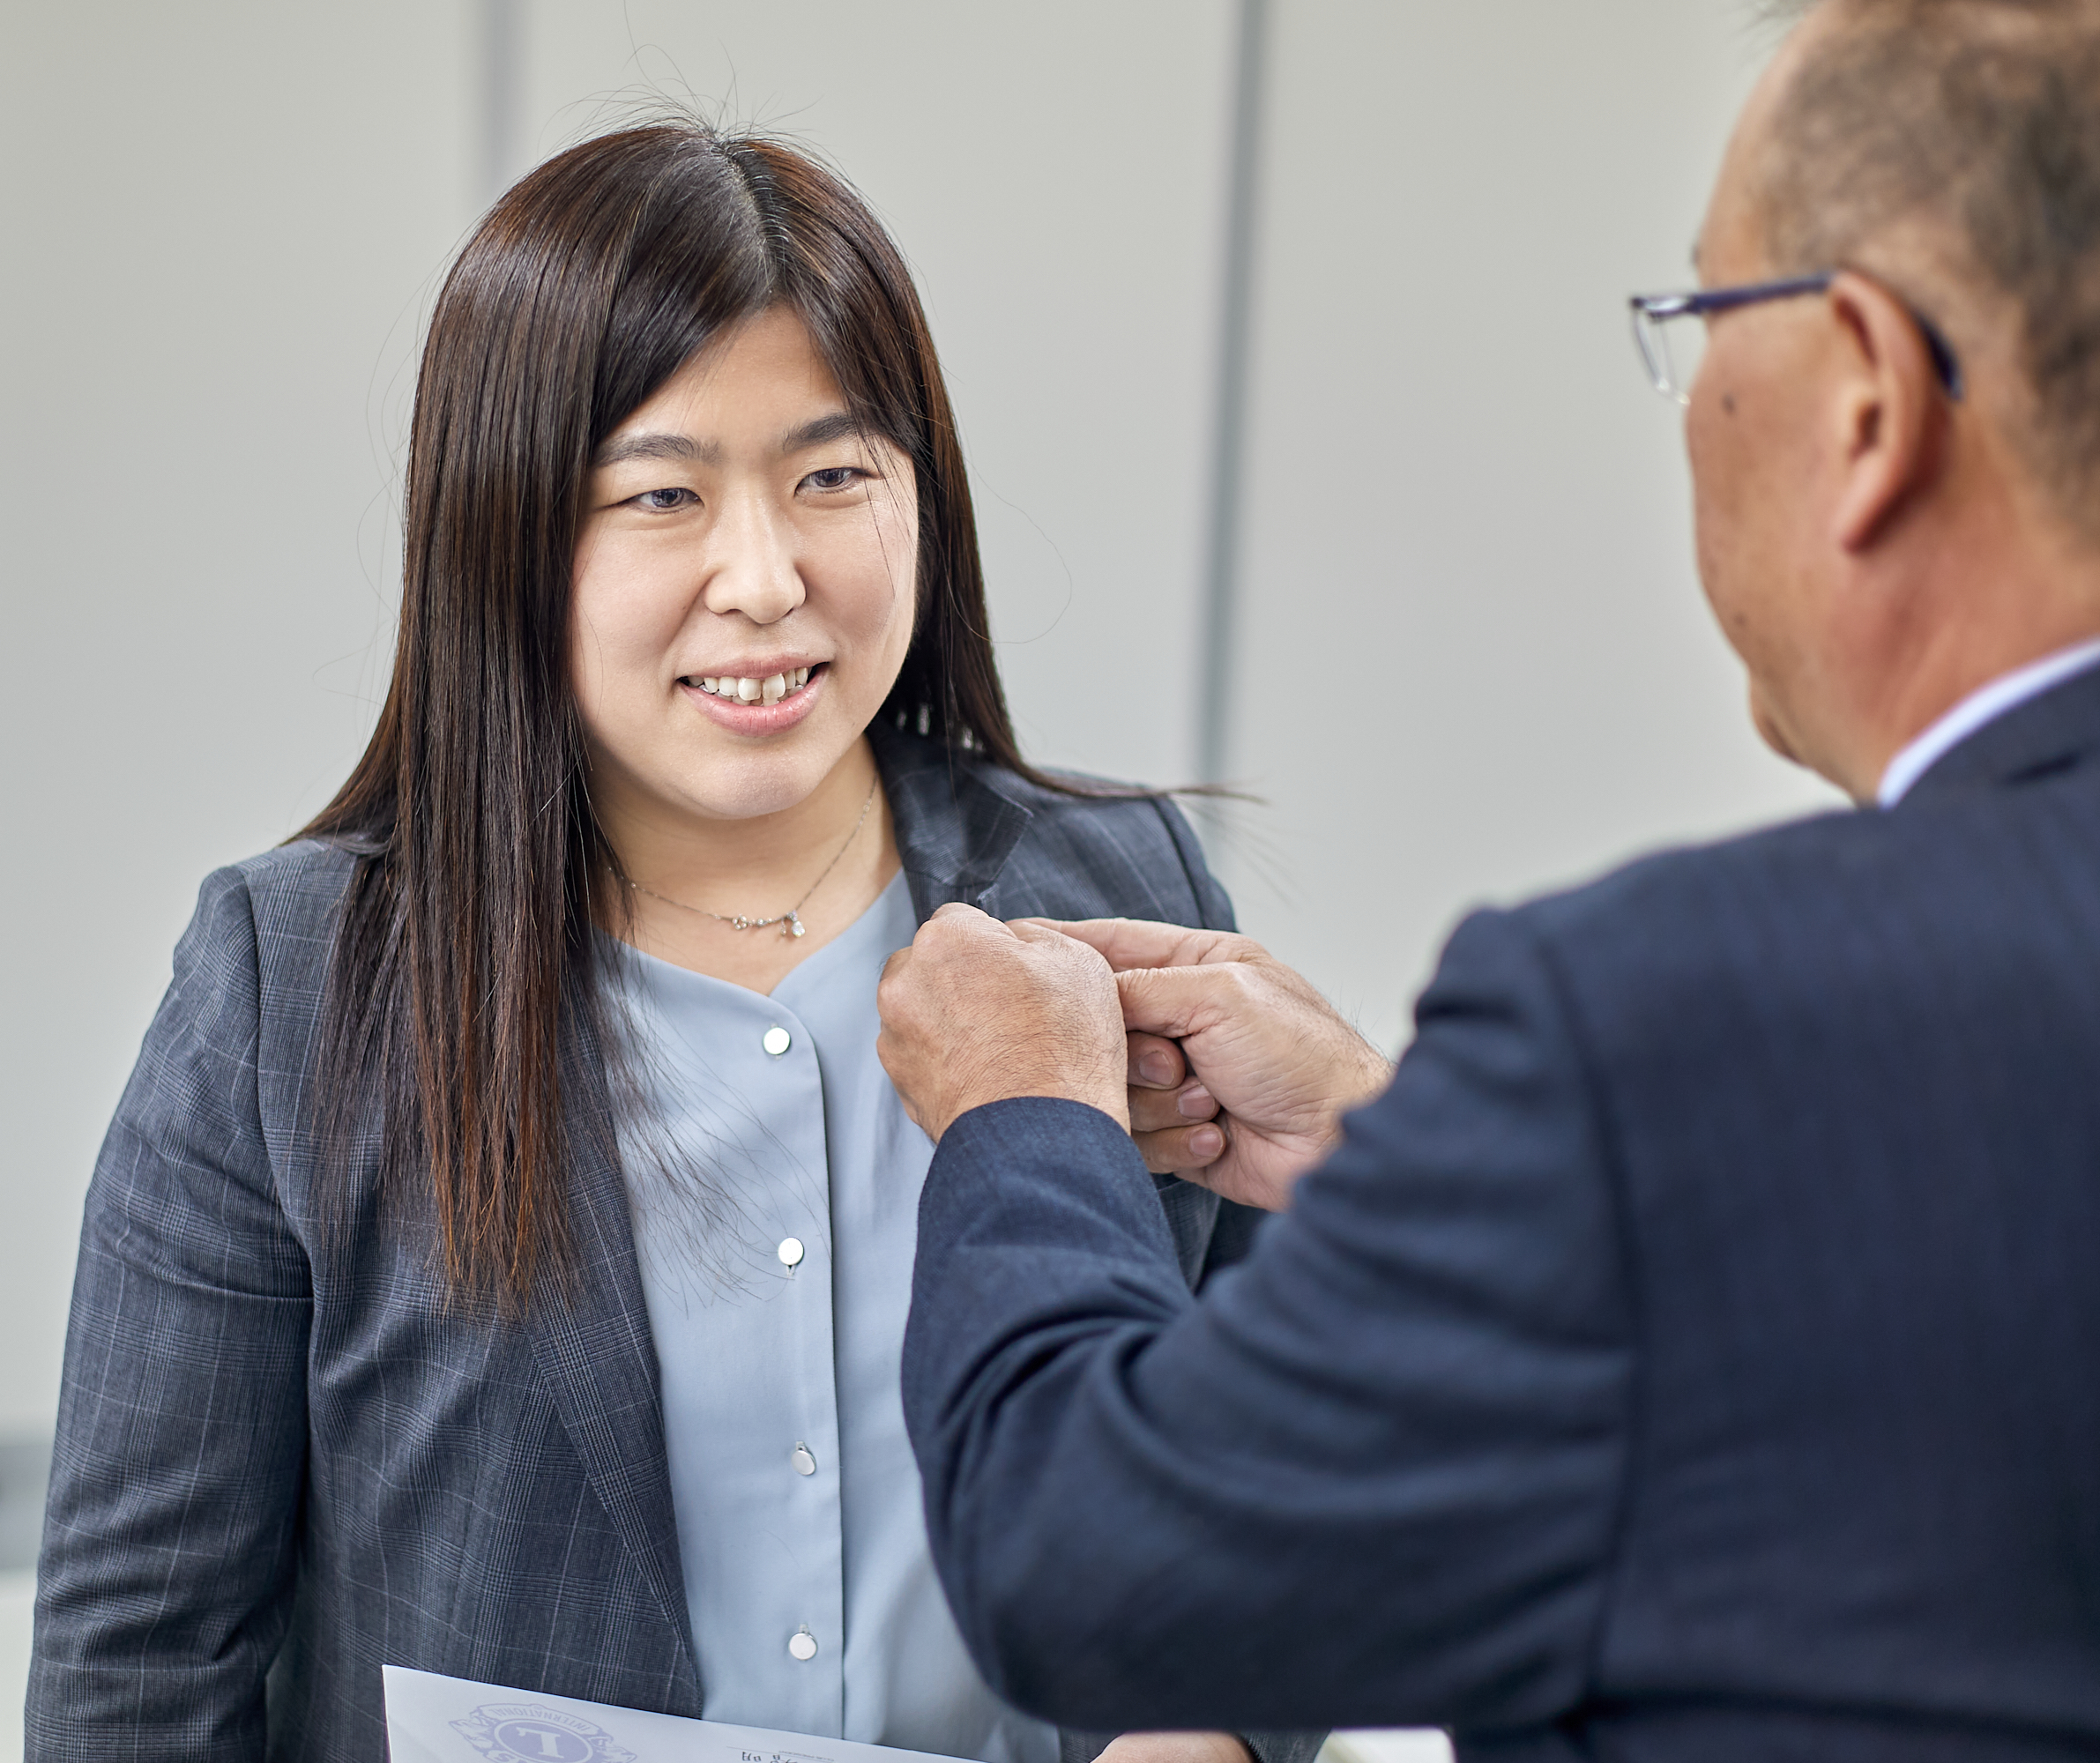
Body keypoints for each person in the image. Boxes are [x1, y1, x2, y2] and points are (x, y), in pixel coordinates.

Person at [874, 3, 2100, 1759]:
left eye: (1697, 323)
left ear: (1867, 395)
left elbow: (1091, 1566)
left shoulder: (1652, 1026)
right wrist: (1419, 1157)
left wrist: (1021, 1118)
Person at [24, 123, 1318, 1763]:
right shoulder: (296, 982)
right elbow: (137, 1660)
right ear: (507, 535)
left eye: (833, 477)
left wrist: (1206, 1732)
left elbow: (1278, 1456)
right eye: (661, 495)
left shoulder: (1111, 891)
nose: (765, 578)